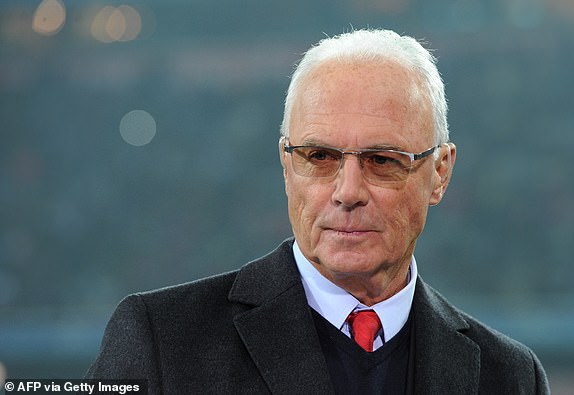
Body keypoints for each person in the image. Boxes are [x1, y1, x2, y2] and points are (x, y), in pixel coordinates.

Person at [86, 29, 550, 394]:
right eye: (319, 157)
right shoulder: (161, 341)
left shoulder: (510, 376)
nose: (348, 192)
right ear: (286, 164)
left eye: (383, 161)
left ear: (441, 173)